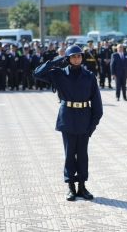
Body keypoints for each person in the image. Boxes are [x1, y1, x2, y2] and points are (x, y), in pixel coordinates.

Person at [32, 45, 103, 201]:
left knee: (83, 154)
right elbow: (37, 73)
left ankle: (82, 187)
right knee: (70, 153)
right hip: (68, 117)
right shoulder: (59, 74)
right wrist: (54, 61)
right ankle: (71, 187)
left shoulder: (89, 76)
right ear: (68, 59)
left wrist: (94, 122)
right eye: (73, 57)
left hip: (84, 117)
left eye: (79, 56)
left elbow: (96, 101)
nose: (77, 59)